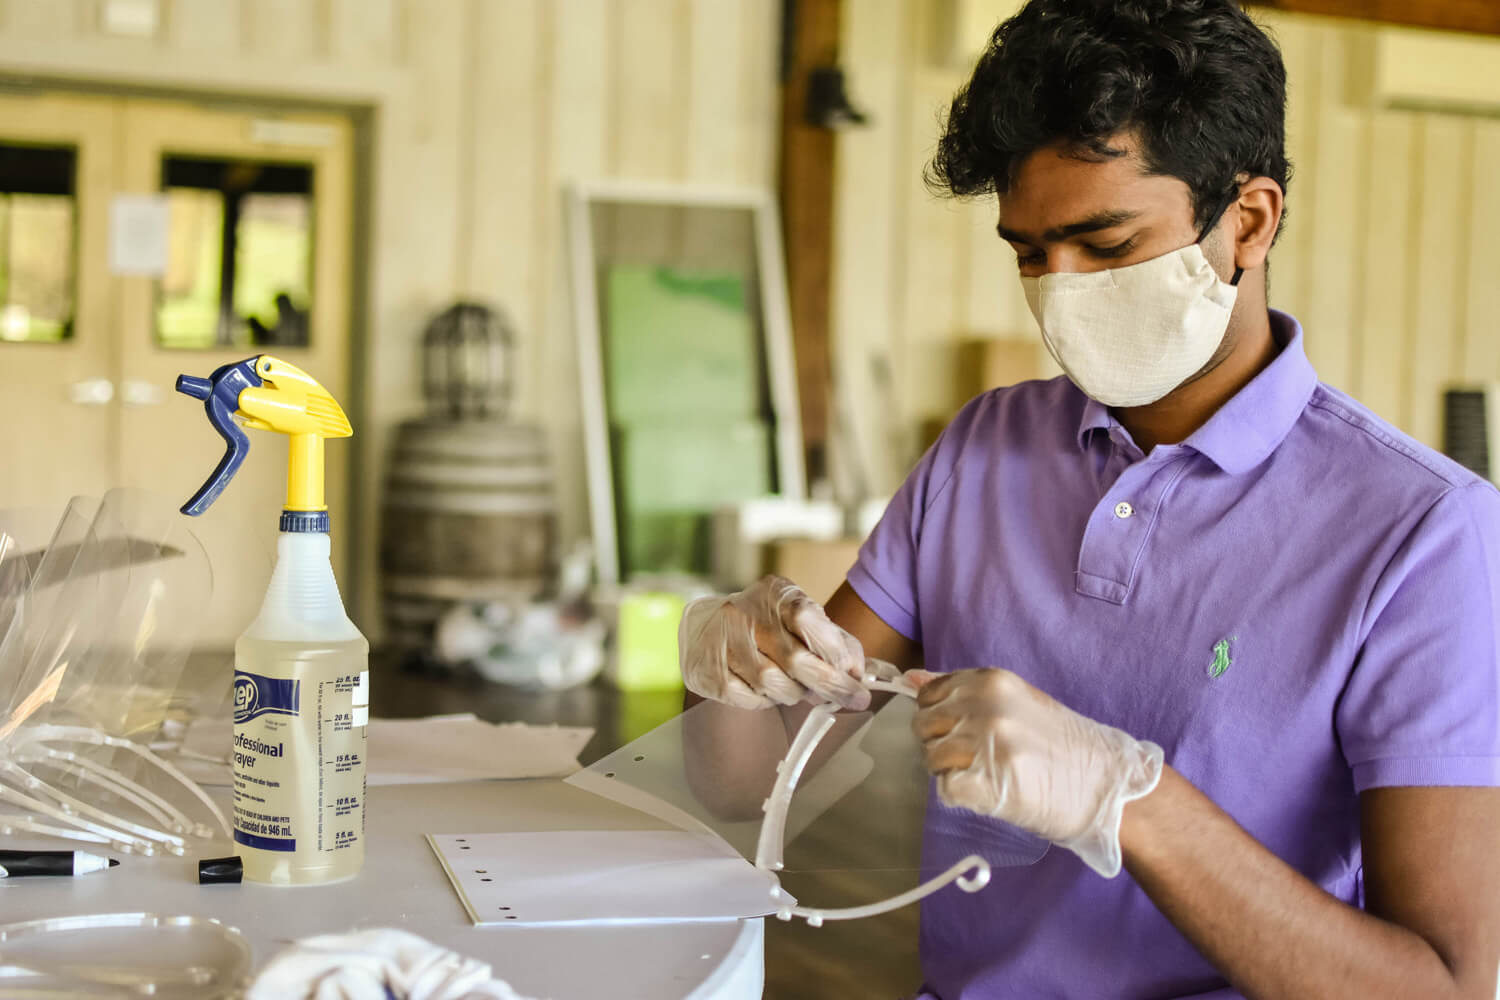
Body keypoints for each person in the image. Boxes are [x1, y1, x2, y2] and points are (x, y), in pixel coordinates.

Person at [678, 1, 1500, 996]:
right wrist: (727, 662)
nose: (1059, 291)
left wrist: (1132, 799)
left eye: (1104, 246)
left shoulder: (1422, 534)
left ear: (1248, 221)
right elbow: (744, 781)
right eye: (1029, 252)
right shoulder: (986, 449)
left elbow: (1443, 986)